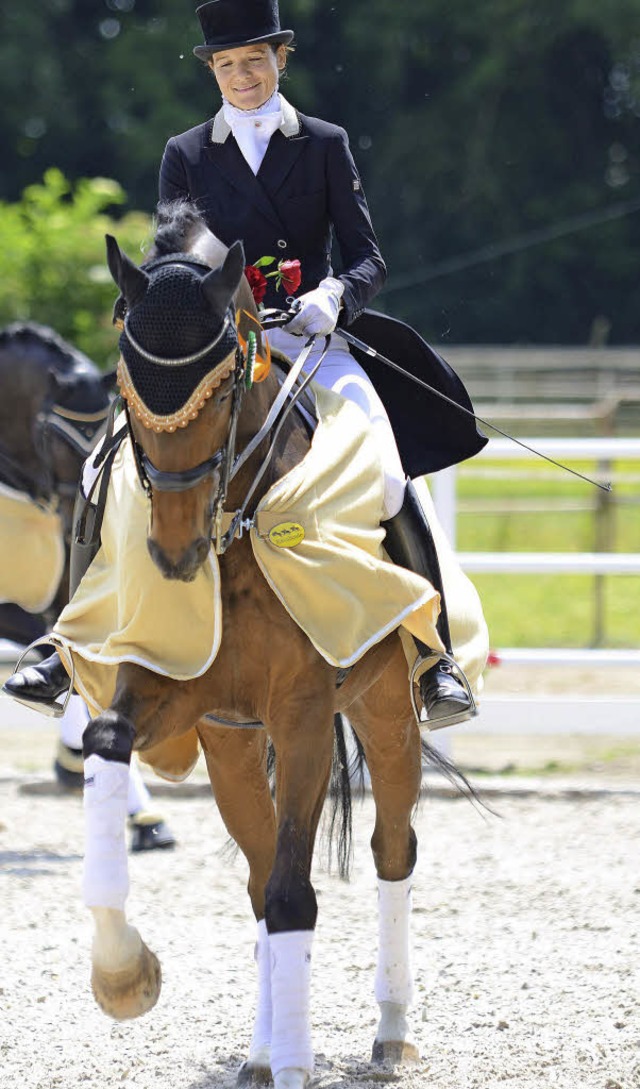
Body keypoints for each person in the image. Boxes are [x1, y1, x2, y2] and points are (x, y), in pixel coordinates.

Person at [4, 0, 487, 725]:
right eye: (227, 65)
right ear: (213, 71)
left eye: (253, 61)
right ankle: (66, 650)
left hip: (309, 339)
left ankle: (432, 658)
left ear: (280, 59)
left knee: (385, 467)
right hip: (213, 345)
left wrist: (335, 296)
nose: (242, 76)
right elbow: (171, 248)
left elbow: (368, 257)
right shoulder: (187, 152)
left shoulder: (323, 142)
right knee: (108, 461)